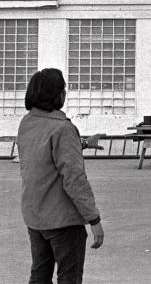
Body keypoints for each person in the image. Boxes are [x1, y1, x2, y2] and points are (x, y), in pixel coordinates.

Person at [17, 68, 104, 284]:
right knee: (69, 278)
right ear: (56, 95)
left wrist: (82, 143)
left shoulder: (27, 123)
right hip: (63, 222)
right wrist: (93, 219)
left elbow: (45, 153)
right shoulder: (63, 129)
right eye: (63, 89)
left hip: (35, 218)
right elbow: (74, 179)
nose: (64, 93)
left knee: (39, 275)